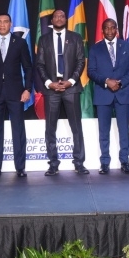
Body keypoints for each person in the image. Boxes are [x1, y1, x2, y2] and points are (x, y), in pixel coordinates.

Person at [34, 9, 88, 176]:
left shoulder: (75, 37)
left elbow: (80, 61)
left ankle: (79, 162)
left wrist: (70, 81)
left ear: (65, 19)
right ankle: (53, 163)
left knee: (76, 127)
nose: (59, 18)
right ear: (52, 20)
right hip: (51, 89)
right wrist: (50, 83)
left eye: (62, 16)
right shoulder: (43, 40)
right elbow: (40, 64)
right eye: (56, 16)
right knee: (50, 128)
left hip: (71, 87)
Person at [0, 14, 33, 177]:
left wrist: (27, 89)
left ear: (11, 24)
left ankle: (20, 167)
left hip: (16, 92)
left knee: (18, 129)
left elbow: (28, 68)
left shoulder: (21, 43)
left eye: (6, 22)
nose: (2, 25)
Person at [87, 18, 129, 174]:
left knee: (124, 130)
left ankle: (125, 161)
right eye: (106, 28)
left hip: (123, 94)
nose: (109, 31)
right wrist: (107, 81)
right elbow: (91, 71)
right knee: (104, 131)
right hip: (103, 94)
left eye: (112, 28)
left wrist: (120, 83)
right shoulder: (95, 49)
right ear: (102, 30)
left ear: (117, 29)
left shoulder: (127, 47)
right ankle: (104, 162)